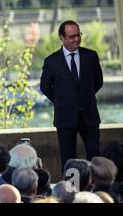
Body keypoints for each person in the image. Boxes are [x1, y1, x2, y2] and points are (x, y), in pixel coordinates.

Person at [40, 20, 103, 170]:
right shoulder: (51, 61)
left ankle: (97, 189)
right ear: (61, 37)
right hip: (65, 117)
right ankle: (70, 190)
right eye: (72, 36)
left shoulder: (91, 56)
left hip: (89, 115)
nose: (76, 39)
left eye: (78, 35)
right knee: (69, 160)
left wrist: (84, 98)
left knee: (95, 158)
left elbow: (98, 81)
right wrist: (63, 101)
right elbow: (45, 87)